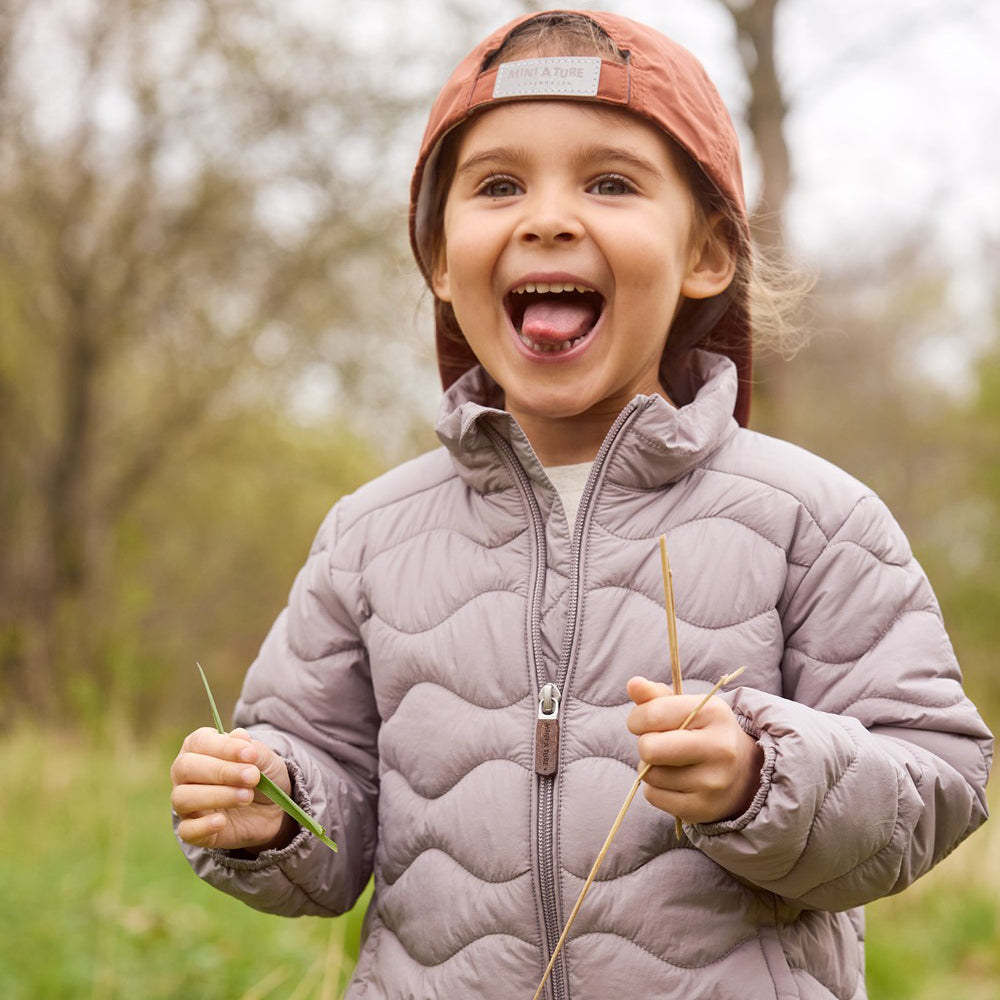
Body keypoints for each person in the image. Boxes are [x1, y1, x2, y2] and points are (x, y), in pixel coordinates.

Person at [171, 11, 993, 999]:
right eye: (498, 185)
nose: (547, 218)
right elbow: (331, 789)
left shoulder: (811, 520)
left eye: (609, 183)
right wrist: (272, 807)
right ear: (440, 260)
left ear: (707, 253)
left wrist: (759, 777)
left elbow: (937, 778)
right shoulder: (369, 537)